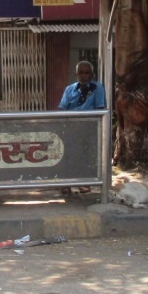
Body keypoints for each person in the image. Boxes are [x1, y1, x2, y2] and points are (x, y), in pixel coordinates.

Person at [57, 60, 107, 195]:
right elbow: (62, 108)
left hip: (89, 128)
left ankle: (84, 182)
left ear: (92, 74)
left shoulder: (97, 88)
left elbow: (100, 109)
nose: (84, 76)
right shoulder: (70, 89)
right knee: (68, 156)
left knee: (84, 156)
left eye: (87, 73)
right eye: (81, 73)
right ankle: (66, 183)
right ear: (76, 74)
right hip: (71, 127)